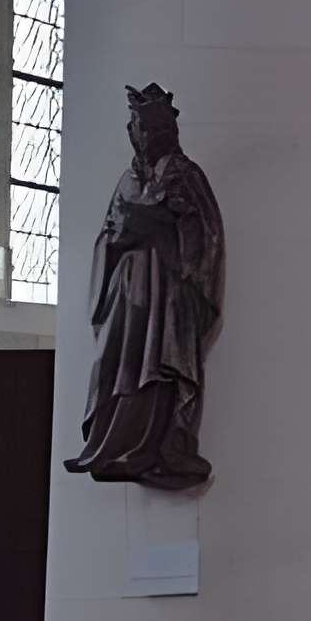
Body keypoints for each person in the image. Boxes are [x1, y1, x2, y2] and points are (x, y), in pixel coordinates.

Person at [67, 83, 226, 486]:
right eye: (132, 127)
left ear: (158, 131)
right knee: (117, 363)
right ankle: (113, 444)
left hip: (167, 289)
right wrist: (122, 234)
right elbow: (108, 233)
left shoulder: (185, 175)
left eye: (141, 127)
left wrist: (170, 221)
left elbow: (206, 236)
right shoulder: (128, 178)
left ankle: (161, 446)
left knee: (159, 366)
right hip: (128, 289)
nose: (135, 135)